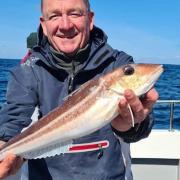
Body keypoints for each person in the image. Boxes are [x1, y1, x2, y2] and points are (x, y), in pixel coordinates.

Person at [0, 0, 158, 179]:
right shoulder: (28, 70)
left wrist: (131, 126)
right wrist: (4, 147)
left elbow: (143, 124)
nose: (65, 25)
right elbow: (12, 120)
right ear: (43, 25)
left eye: (75, 14)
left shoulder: (117, 63)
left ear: (90, 20)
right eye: (54, 16)